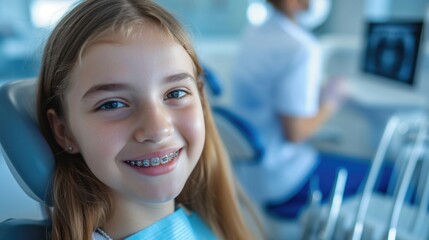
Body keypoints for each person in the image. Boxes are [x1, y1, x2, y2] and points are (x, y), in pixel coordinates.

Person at [36, 0, 259, 239]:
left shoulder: (206, 223)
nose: (158, 128)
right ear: (63, 131)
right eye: (112, 104)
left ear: (201, 100)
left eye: (175, 93)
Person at [230, 0, 373, 223]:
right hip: (285, 179)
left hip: (251, 176)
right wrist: (331, 100)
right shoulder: (301, 47)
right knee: (392, 176)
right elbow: (296, 133)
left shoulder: (255, 32)